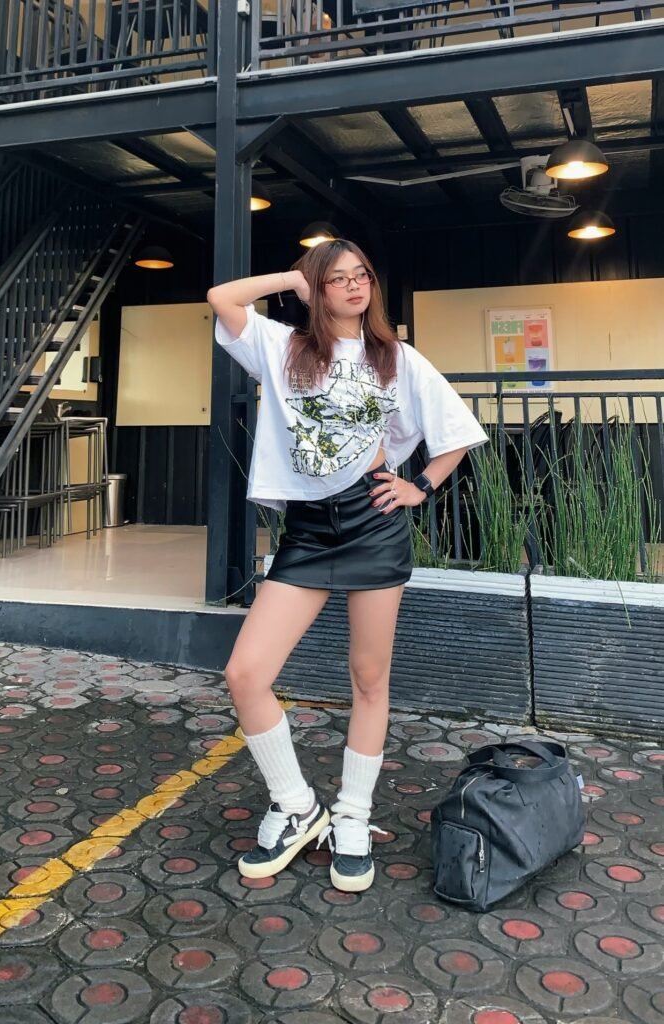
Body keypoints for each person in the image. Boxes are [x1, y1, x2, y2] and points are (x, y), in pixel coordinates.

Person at [207, 239, 487, 893]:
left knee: (368, 678)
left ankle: (354, 817)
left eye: (361, 274)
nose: (354, 286)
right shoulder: (283, 349)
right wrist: (293, 278)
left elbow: (456, 430)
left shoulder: (396, 358)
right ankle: (299, 806)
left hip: (372, 523)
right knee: (246, 674)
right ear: (318, 290)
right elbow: (222, 299)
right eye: (337, 278)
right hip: (307, 532)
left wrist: (421, 484)